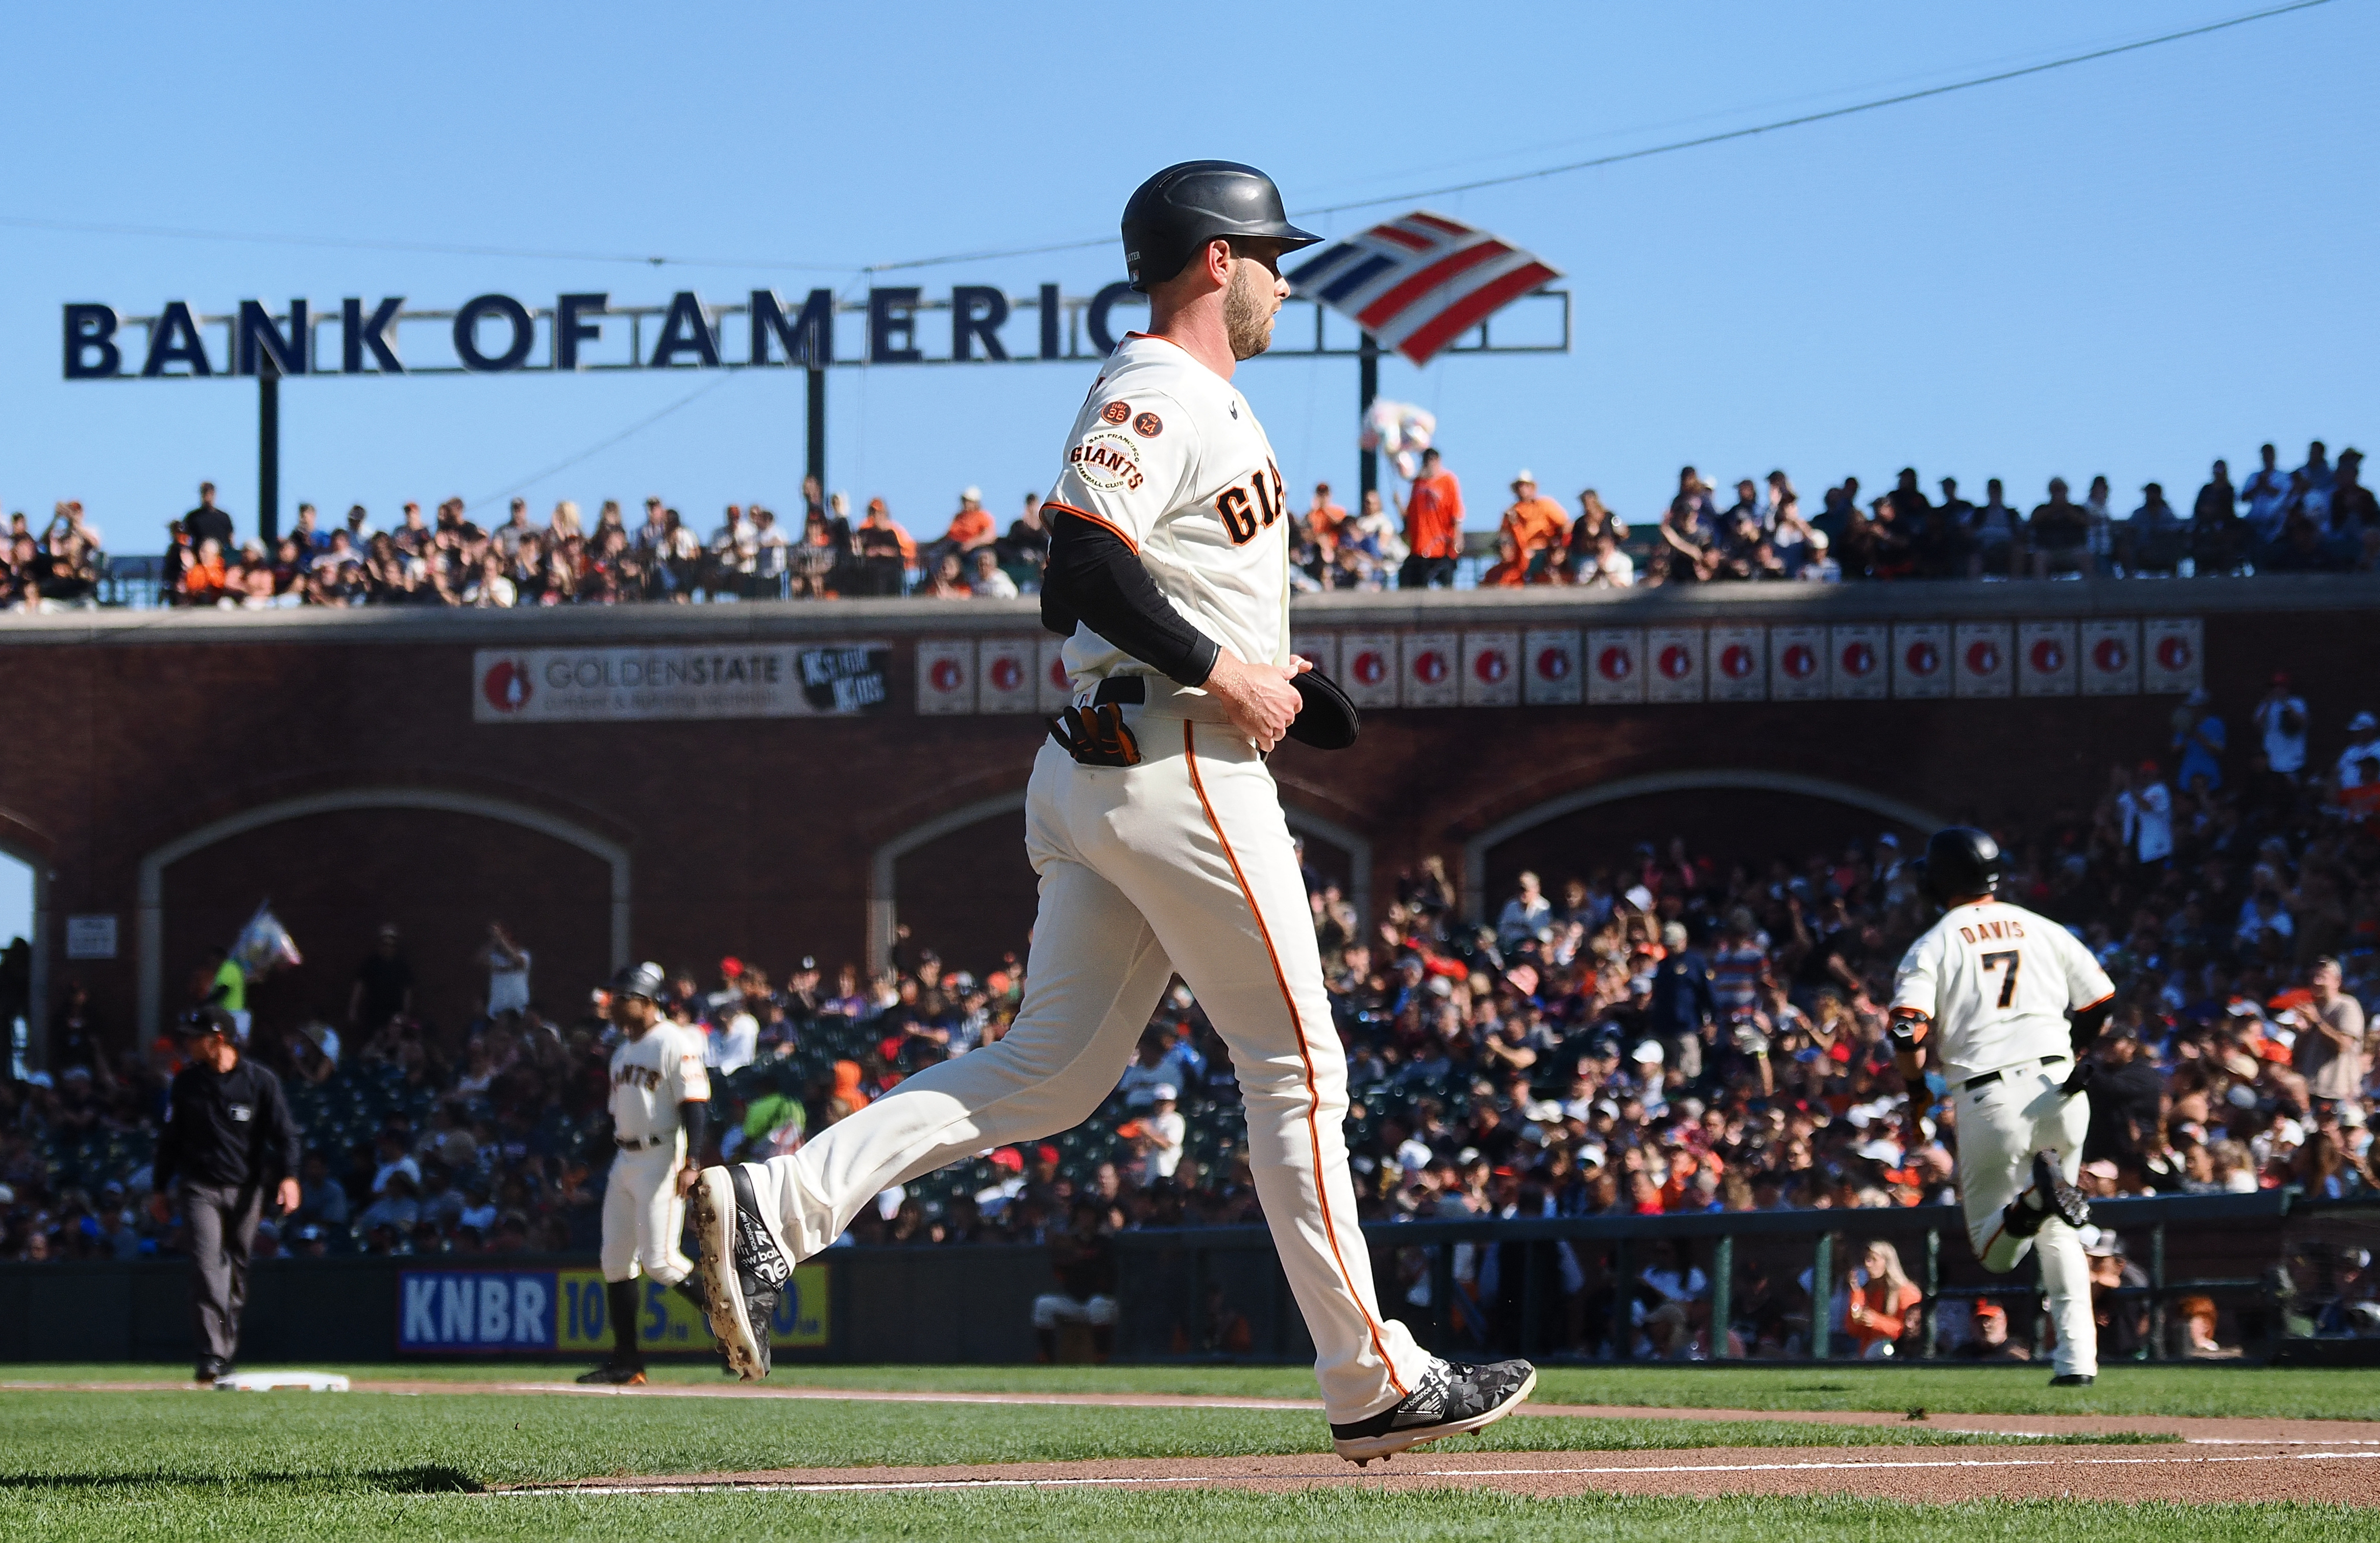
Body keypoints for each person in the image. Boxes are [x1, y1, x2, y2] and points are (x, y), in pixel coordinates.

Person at [691, 159, 1531, 1464]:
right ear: (1213, 260)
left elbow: (1066, 582)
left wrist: (1263, 666)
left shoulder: (1193, 401)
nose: (1282, 279)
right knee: (1299, 1068)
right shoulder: (1158, 383)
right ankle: (1372, 1378)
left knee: (1052, 1072)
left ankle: (775, 1204)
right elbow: (1081, 570)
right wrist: (1220, 670)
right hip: (1172, 765)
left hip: (1115, 759)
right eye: (1268, 254)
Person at [1887, 827, 2114, 1386]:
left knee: (1995, 1253)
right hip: (2060, 1083)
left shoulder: (1935, 941)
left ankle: (2037, 1198)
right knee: (2060, 1228)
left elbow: (1905, 1027)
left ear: (1938, 878)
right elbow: (2100, 999)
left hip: (1988, 1096)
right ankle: (2076, 1360)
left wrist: (1917, 1095)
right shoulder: (2042, 928)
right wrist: (2073, 1049)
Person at [153, 1006, 301, 1384]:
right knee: (206, 1266)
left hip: (247, 1190)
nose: (188, 1043)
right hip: (199, 1187)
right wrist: (159, 1188)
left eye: (195, 1037)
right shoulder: (187, 1083)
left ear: (218, 1040)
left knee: (235, 1270)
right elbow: (169, 1141)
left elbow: (284, 1133)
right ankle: (211, 1353)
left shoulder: (260, 1082)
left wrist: (289, 1177)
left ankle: (224, 1350)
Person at [580, 962, 712, 1385]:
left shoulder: (673, 1041)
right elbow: (614, 1120)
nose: (615, 1007)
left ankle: (738, 1320)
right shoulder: (622, 1052)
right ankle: (627, 1362)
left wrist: (693, 1164)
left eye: (622, 999)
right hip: (624, 1159)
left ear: (646, 1001)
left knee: (660, 1261)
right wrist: (584, 1164)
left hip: (661, 1155)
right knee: (616, 1262)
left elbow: (696, 1104)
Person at [2297, 957, 2368, 1115]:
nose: (2316, 982)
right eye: (2313, 977)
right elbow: (2298, 1054)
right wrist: (2304, 1030)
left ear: (2337, 981)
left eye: (2322, 977)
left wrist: (2317, 1022)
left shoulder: (2347, 1006)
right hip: (2310, 1090)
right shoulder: (2313, 1008)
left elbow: (2343, 1046)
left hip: (2336, 1092)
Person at [1397, 447, 1463, 589]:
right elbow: (1409, 517)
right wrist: (1398, 505)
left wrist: (1458, 537)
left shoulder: (1448, 481)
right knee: (1410, 581)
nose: (1430, 463)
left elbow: (1456, 512)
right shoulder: (1418, 483)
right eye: (1427, 460)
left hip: (1441, 545)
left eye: (1433, 459)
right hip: (1419, 548)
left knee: (1446, 583)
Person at [1498, 471, 1567, 581]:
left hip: (1546, 551)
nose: (1523, 489)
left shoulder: (1545, 504)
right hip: (1522, 554)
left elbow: (1565, 525)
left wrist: (1560, 546)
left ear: (1533, 488)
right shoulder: (1512, 511)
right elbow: (1504, 536)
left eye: (1526, 486)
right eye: (1520, 486)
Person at [481, 923, 531, 1016]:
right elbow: (480, 959)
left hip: (519, 1007)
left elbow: (519, 962)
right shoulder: (494, 957)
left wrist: (500, 938)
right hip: (498, 1007)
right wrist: (494, 940)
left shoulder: (524, 955)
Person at [184, 482, 234, 552]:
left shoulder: (224, 517)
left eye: (209, 493)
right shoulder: (193, 517)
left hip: (220, 559)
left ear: (214, 494)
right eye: (204, 493)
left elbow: (231, 539)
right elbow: (186, 538)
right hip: (199, 559)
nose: (207, 496)